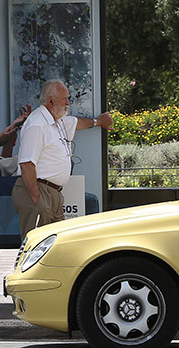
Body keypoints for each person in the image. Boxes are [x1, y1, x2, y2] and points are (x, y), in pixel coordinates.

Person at [12, 79, 113, 239]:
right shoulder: (37, 124)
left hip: (52, 193)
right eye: (65, 98)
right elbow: (26, 163)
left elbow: (76, 123)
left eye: (69, 98)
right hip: (39, 190)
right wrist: (36, 197)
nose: (68, 102)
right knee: (39, 247)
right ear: (51, 100)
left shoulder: (56, 121)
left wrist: (99, 122)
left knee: (55, 246)